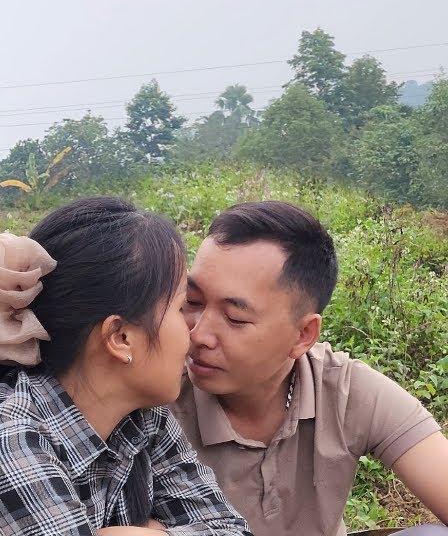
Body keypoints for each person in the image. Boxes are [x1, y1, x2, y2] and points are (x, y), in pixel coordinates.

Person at [0, 197, 251, 536]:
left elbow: (231, 530)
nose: (195, 333)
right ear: (119, 337)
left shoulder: (143, 420)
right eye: (184, 307)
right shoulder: (3, 446)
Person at [174, 201, 448, 536]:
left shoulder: (345, 390)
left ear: (303, 335)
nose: (198, 334)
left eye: (235, 318)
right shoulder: (157, 395)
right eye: (192, 302)